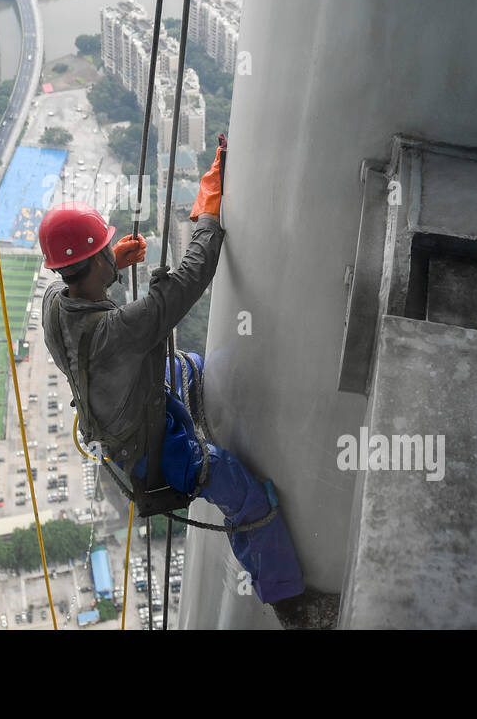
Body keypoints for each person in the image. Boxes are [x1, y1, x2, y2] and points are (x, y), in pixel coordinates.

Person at [38, 141, 325, 627]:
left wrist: (113, 268)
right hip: (151, 447)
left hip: (117, 403)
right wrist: (208, 212)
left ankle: (199, 410)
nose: (113, 252)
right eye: (106, 250)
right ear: (94, 261)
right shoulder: (121, 330)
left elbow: (87, 302)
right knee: (244, 495)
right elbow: (193, 275)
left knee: (189, 365)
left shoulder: (52, 303)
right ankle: (288, 600)